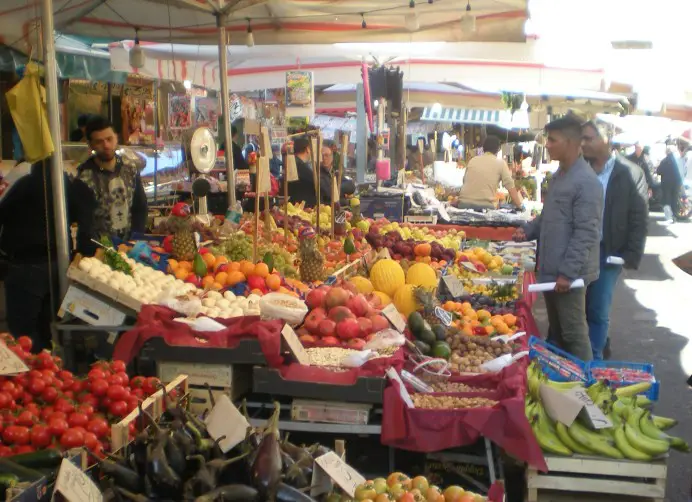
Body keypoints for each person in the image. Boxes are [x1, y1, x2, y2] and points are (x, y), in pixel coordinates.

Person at [513, 116, 603, 361]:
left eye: (552, 140)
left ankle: (587, 388)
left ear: (571, 142)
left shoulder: (586, 182)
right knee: (558, 333)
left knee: (573, 333)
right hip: (551, 270)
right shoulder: (560, 176)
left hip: (569, 276)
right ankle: (565, 385)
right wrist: (528, 230)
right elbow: (548, 216)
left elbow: (586, 232)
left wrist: (568, 272)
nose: (548, 145)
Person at [0, 159, 95, 352]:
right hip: (59, 264)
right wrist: (81, 253)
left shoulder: (21, 177)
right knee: (47, 326)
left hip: (25, 265)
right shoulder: (68, 180)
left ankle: (34, 369)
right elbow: (87, 212)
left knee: (23, 331)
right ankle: (48, 364)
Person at [581, 121, 649, 360]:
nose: (583, 143)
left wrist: (632, 254)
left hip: (608, 251)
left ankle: (595, 359)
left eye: (589, 138)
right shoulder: (580, 168)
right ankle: (587, 350)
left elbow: (639, 216)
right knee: (579, 307)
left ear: (606, 139)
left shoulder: (630, 172)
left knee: (598, 308)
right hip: (579, 249)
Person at [77, 116, 148, 246]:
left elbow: (140, 207)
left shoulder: (130, 168)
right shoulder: (84, 177)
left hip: (129, 247)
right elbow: (85, 222)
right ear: (90, 144)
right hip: (97, 253)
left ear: (116, 137)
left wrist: (135, 241)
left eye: (109, 139)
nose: (106, 145)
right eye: (99, 141)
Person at [458, 136, 523, 210]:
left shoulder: (473, 160)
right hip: (484, 208)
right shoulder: (500, 163)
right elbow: (511, 187)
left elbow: (464, 181)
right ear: (498, 149)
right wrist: (520, 206)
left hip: (462, 205)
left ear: (483, 148)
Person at [656, 141, 686, 224]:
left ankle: (669, 217)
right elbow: (682, 171)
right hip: (676, 183)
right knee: (674, 199)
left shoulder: (664, 161)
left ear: (667, 152)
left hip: (666, 184)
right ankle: (674, 217)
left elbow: (658, 171)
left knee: (666, 200)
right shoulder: (678, 161)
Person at [287, 136, 317, 207]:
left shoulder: (293, 162)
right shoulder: (300, 165)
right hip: (302, 205)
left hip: (295, 203)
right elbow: (315, 181)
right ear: (307, 149)